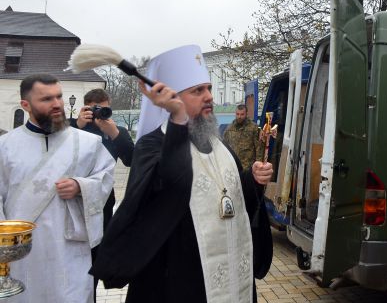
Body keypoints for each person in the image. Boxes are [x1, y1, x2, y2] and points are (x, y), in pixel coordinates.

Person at [91, 45, 273, 303]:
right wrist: (178, 119)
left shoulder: (219, 144)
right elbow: (167, 190)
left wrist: (252, 179)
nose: (209, 96)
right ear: (172, 100)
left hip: (232, 273)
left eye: (208, 88)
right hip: (179, 275)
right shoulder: (151, 145)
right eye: (198, 91)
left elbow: (230, 198)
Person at [0, 74, 115, 303]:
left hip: (69, 249)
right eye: (46, 99)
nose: (56, 104)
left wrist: (81, 186)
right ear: (26, 105)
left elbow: (106, 178)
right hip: (21, 253)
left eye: (59, 97)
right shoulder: (5, 146)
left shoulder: (88, 143)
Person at [71, 88, 135, 298]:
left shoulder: (117, 130)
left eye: (104, 109)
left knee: (96, 263)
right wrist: (76, 124)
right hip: (72, 205)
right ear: (84, 108)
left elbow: (132, 160)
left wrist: (114, 133)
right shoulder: (73, 128)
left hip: (103, 205)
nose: (99, 114)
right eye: (94, 109)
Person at [223, 104, 263, 170]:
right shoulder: (229, 128)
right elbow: (224, 147)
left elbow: (259, 148)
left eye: (242, 114)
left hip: (248, 167)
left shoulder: (253, 128)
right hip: (234, 166)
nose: (239, 116)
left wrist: (258, 166)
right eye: (237, 114)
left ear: (246, 114)